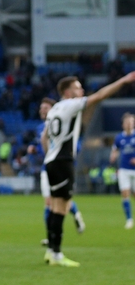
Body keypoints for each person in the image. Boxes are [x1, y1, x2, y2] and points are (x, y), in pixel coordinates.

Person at [41, 72, 135, 267]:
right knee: (61, 207)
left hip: (52, 160)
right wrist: (124, 80)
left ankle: (51, 250)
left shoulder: (55, 109)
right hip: (63, 160)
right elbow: (99, 96)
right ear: (68, 92)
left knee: (56, 205)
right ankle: (56, 254)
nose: (81, 90)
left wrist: (50, 155)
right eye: (77, 87)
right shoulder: (70, 104)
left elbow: (45, 137)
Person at [27, 97, 84, 247]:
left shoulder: (64, 124)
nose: (42, 111)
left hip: (61, 167)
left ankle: (57, 236)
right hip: (48, 168)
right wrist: (33, 149)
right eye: (41, 108)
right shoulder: (40, 128)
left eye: (45, 108)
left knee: (57, 202)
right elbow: (38, 144)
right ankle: (52, 238)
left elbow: (74, 146)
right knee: (51, 203)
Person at [110, 112, 135, 229]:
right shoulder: (119, 137)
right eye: (127, 122)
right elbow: (115, 149)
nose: (129, 124)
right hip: (124, 169)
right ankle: (129, 220)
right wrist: (113, 155)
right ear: (123, 124)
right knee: (125, 193)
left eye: (131, 122)